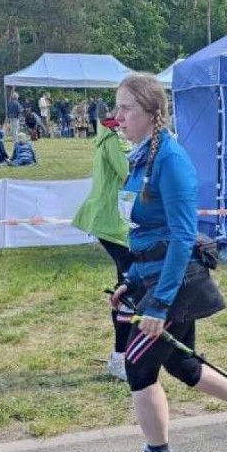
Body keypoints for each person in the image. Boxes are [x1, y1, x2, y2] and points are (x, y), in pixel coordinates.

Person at [109, 73, 227, 452]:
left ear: (152, 112)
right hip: (150, 278)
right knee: (182, 364)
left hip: (175, 283)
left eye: (126, 108)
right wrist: (130, 281)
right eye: (117, 108)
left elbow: (183, 234)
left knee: (137, 365)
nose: (117, 117)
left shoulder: (171, 159)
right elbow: (143, 232)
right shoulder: (141, 156)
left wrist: (160, 304)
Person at [72, 111, 133, 379]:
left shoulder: (110, 135)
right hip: (113, 222)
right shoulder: (115, 139)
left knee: (128, 287)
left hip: (114, 223)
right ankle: (121, 357)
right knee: (130, 287)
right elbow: (131, 174)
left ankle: (125, 354)